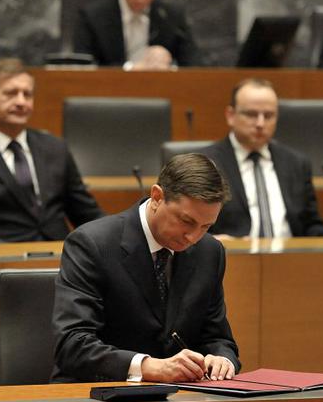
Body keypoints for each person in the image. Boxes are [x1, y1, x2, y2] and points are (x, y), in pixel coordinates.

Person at [52, 153, 240, 382]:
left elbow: (217, 337)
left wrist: (221, 359)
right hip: (97, 391)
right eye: (186, 221)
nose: (193, 237)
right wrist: (148, 367)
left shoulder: (209, 252)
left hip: (179, 395)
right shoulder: (92, 244)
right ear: (157, 197)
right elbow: (72, 344)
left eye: (206, 226)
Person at [0, 58, 103, 244]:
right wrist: (10, 254)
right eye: (11, 94)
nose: (21, 102)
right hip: (3, 257)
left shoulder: (55, 148)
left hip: (61, 255)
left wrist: (117, 233)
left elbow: (86, 212)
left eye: (27, 94)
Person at [201, 78, 323, 241]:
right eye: (251, 114)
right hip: (232, 258)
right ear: (231, 115)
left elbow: (309, 227)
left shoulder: (296, 163)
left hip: (288, 258)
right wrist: (210, 242)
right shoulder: (206, 163)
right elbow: (193, 224)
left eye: (269, 115)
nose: (260, 123)